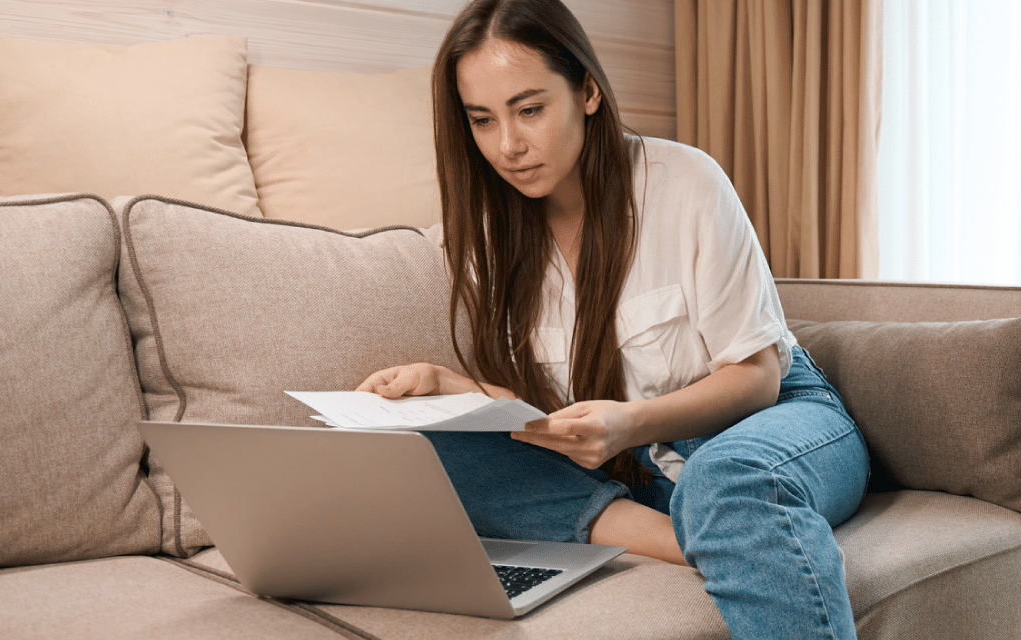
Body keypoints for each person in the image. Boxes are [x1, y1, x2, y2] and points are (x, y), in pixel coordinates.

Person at [355, 0, 870, 637]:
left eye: (530, 109)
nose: (509, 145)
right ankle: (717, 537)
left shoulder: (686, 182)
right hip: (634, 468)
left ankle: (730, 520)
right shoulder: (488, 237)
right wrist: (453, 389)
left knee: (725, 476)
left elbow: (757, 377)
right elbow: (550, 415)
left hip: (765, 424)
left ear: (589, 91)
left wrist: (630, 422)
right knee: (426, 452)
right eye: (483, 121)